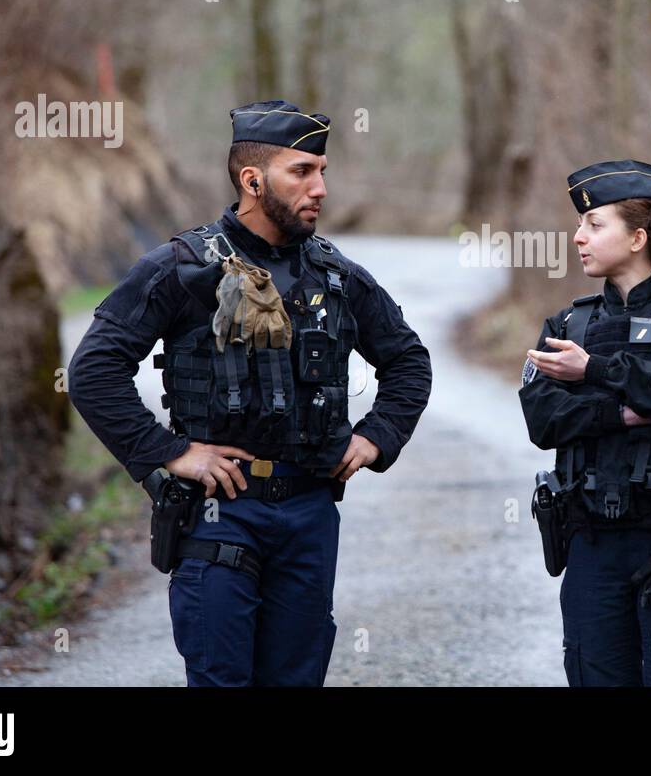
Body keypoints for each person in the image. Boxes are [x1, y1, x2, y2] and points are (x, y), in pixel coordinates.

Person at [68, 99, 432, 686]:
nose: (319, 187)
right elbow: (93, 370)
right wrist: (169, 453)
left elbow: (409, 361)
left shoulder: (337, 277)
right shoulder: (182, 267)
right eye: (303, 171)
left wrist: (376, 438)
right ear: (253, 180)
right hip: (218, 516)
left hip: (310, 514)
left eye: (322, 171)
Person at [519, 159, 651, 686]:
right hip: (591, 546)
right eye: (579, 226)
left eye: (594, 226)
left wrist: (593, 370)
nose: (578, 238)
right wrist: (625, 411)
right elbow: (543, 418)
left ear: (638, 237)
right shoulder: (568, 324)